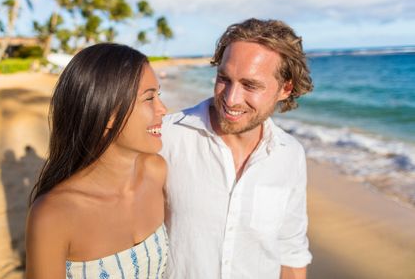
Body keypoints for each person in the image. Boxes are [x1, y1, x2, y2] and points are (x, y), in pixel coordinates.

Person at [160, 18, 314, 278]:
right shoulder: (167, 136)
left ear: (286, 89)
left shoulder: (290, 154)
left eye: (250, 85)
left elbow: (291, 251)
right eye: (224, 79)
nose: (231, 99)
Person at [26, 43, 169, 278]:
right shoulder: (54, 215)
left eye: (159, 95)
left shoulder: (156, 172)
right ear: (109, 112)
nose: (162, 109)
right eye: (149, 98)